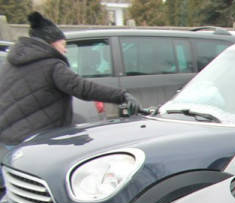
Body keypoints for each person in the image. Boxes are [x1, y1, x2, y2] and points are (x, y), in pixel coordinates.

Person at [0, 12, 139, 148]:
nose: (65, 51)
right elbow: (83, 88)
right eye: (63, 45)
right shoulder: (52, 65)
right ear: (52, 43)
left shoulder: (10, 62)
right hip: (33, 141)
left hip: (9, 138)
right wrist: (121, 95)